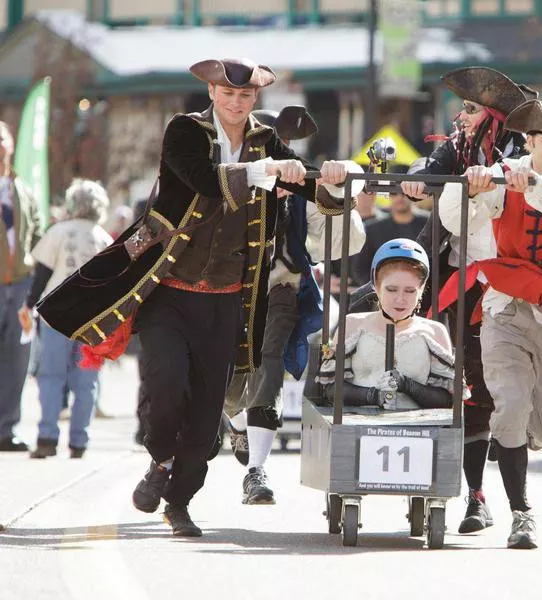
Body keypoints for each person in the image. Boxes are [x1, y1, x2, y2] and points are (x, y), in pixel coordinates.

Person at [36, 58, 357, 537]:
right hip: (167, 289)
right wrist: (265, 168)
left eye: (245, 96)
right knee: (166, 386)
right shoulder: (185, 131)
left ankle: (179, 500)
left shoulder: (266, 140)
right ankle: (160, 458)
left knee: (209, 414)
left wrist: (337, 178)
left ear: (255, 99)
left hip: (229, 298)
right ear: (211, 92)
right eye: (227, 94)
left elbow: (314, 188)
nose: (236, 102)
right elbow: (206, 181)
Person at [439, 97, 542, 549]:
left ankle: (513, 442)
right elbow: (455, 219)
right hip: (507, 307)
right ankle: (521, 512)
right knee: (509, 404)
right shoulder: (502, 171)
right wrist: (469, 189)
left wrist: (529, 181)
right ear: (529, 140)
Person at [402, 67, 533, 534]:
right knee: (449, 385)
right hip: (455, 281)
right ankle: (473, 497)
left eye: (472, 108)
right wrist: (416, 180)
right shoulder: (458, 144)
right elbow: (430, 167)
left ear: (494, 116)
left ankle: (517, 504)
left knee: (501, 397)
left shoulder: (521, 147)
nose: (462, 114)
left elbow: (523, 176)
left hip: (505, 286)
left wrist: (494, 174)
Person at [223, 106, 366, 505]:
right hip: (229, 293)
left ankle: (257, 470)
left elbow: (346, 242)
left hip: (284, 289)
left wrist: (339, 188)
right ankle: (237, 424)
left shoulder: (304, 198)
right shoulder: (232, 188)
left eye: (282, 157)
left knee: (268, 366)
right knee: (225, 380)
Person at [19, 179, 113, 458]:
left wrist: (28, 304)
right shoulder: (105, 239)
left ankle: (47, 438)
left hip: (56, 317)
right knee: (87, 380)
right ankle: (79, 441)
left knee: (51, 377)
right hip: (93, 321)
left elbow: (42, 275)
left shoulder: (58, 231)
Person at [317, 239, 458, 411]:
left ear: (422, 289)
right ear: (376, 286)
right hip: (358, 428)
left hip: (419, 432)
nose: (400, 299)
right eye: (391, 289)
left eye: (410, 291)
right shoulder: (352, 324)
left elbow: (448, 399)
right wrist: (373, 396)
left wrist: (408, 385)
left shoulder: (435, 332)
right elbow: (330, 388)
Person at [0, 120, 43, 452]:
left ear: (11, 144)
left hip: (21, 287)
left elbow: (38, 234)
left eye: (2, 139)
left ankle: (6, 429)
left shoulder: (23, 189)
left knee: (17, 361)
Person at [352, 168, 428, 287]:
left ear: (414, 194)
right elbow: (360, 269)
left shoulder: (429, 223)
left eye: (405, 192)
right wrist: (379, 290)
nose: (400, 197)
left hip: (423, 292)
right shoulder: (373, 228)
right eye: (394, 192)